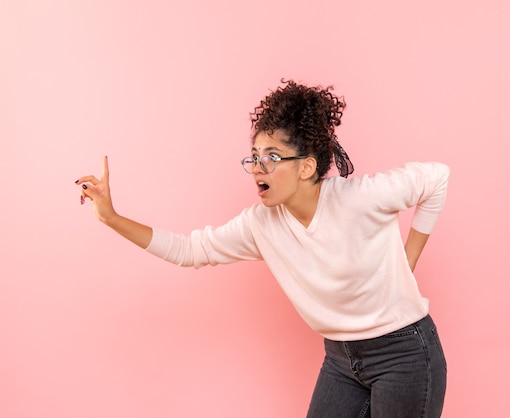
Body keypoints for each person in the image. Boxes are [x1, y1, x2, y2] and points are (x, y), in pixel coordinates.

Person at [76, 80, 450, 418]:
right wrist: (112, 217)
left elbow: (437, 178)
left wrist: (407, 259)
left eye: (270, 157)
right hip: (340, 358)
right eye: (253, 158)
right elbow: (189, 249)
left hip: (404, 353)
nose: (257, 168)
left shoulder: (361, 198)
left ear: (305, 167)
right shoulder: (260, 224)